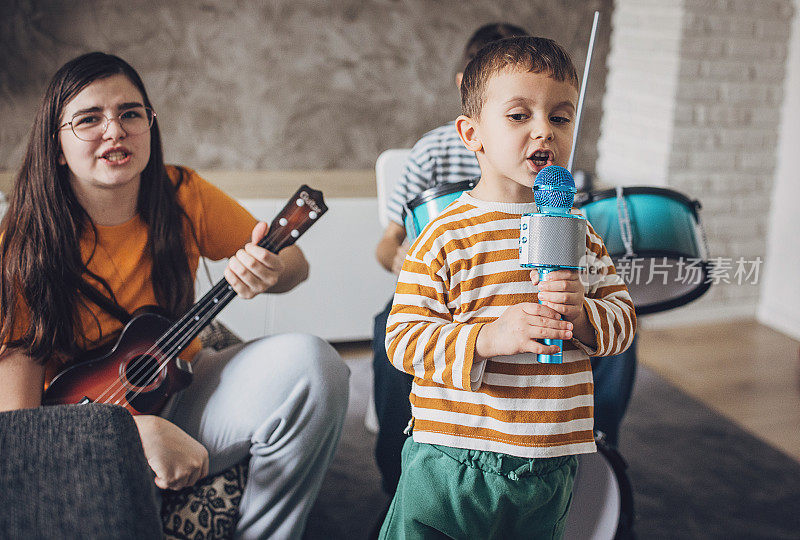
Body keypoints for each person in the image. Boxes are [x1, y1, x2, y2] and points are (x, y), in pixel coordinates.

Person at [0, 52, 350, 540]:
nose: (115, 130)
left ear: (150, 124)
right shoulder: (23, 246)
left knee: (318, 364)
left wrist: (269, 270)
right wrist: (128, 434)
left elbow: (296, 266)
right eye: (88, 119)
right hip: (81, 430)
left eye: (130, 113)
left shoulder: (182, 192)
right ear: (57, 146)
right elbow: (17, 426)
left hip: (183, 387)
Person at [379, 37, 636, 538]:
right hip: (453, 457)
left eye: (560, 118)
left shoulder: (581, 234)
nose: (544, 129)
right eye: (520, 116)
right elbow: (403, 339)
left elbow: (623, 321)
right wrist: (488, 339)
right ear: (471, 134)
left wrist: (584, 315)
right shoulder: (443, 236)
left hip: (551, 459)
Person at [372, 22, 529, 498]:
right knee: (390, 337)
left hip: (522, 296)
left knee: (612, 344)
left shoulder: (545, 156)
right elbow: (387, 244)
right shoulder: (433, 151)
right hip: (449, 299)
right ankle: (400, 472)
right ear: (466, 85)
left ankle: (597, 455)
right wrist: (408, 261)